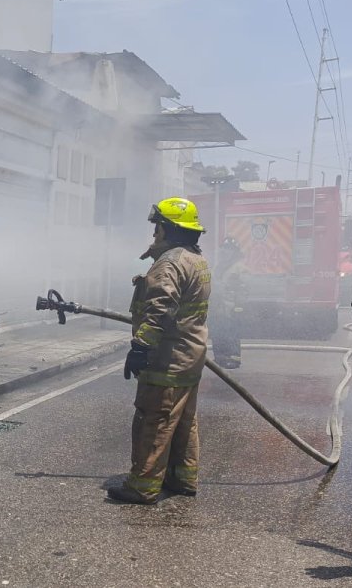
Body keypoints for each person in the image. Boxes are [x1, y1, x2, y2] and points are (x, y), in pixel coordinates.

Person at [107, 198, 211, 505]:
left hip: (168, 358)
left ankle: (142, 486)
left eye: (157, 227)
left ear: (167, 228)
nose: (154, 233)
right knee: (182, 421)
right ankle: (182, 479)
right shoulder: (195, 259)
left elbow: (159, 312)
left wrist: (140, 347)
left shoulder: (170, 264)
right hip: (189, 355)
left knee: (155, 418)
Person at [210, 237, 244, 369]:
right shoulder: (218, 266)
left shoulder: (238, 267)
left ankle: (234, 359)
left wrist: (239, 307)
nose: (225, 251)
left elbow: (243, 289)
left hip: (231, 308)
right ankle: (220, 357)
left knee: (231, 333)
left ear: (235, 252)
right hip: (216, 307)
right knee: (217, 332)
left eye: (229, 249)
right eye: (223, 249)